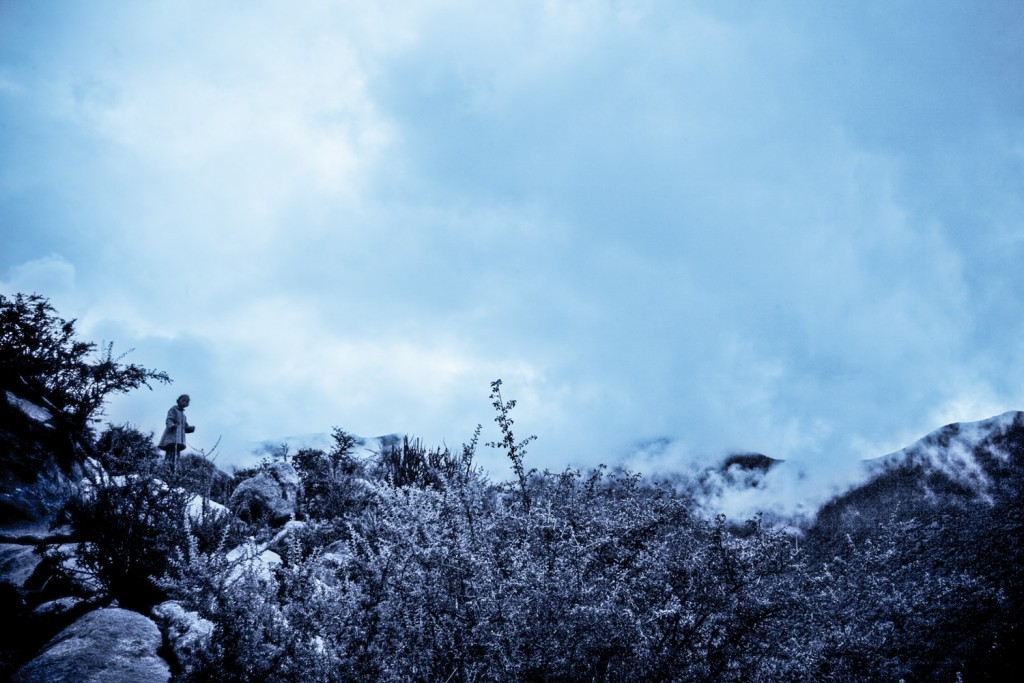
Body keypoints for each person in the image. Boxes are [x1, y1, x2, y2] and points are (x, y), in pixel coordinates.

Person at [159, 394, 195, 471]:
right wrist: (171, 425)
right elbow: (169, 419)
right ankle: (166, 469)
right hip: (171, 437)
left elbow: (185, 427)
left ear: (187, 404)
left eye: (186, 402)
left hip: (179, 440)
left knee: (176, 455)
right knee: (170, 453)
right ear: (178, 400)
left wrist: (190, 429)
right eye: (183, 400)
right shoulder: (173, 409)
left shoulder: (184, 416)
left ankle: (174, 470)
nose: (184, 402)